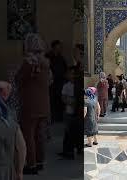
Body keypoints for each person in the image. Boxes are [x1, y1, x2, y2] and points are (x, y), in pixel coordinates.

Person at [16, 33, 51, 174]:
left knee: (28, 135)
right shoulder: (46, 63)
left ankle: (31, 165)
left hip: (30, 104)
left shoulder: (29, 62)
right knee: (39, 135)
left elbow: (19, 78)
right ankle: (40, 161)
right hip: (43, 103)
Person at [57, 67, 81, 160]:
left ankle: (77, 149)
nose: (72, 76)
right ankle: (67, 151)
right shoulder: (67, 86)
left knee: (76, 131)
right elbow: (63, 97)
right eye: (70, 74)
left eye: (73, 74)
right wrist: (70, 102)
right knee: (68, 131)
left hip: (77, 112)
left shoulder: (78, 85)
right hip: (69, 111)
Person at [46, 40, 67, 123]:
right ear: (53, 47)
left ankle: (59, 118)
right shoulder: (48, 57)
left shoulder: (61, 57)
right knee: (51, 101)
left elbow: (64, 69)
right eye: (58, 47)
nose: (59, 49)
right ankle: (52, 118)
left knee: (59, 101)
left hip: (60, 83)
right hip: (51, 83)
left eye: (60, 47)